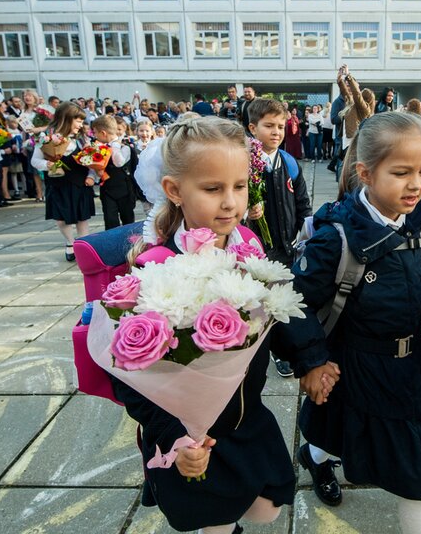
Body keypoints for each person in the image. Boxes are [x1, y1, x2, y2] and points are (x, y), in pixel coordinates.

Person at [116, 115, 338, 534]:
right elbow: (129, 372)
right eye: (213, 189)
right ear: (174, 191)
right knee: (213, 517)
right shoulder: (156, 270)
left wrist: (311, 359)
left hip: (243, 416)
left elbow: (279, 309)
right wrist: (174, 437)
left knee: (267, 505)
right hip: (192, 434)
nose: (231, 202)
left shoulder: (249, 244)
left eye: (239, 186)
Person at [278, 112, 421, 533]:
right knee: (333, 428)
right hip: (352, 365)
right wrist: (312, 360)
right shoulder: (335, 238)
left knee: (418, 471)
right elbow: (292, 303)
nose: (415, 184)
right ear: (366, 173)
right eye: (401, 172)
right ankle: (315, 458)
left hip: (410, 367)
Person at [245, 99, 313, 379]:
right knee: (258, 303)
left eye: (281, 126)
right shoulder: (245, 163)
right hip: (256, 249)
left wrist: (303, 232)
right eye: (268, 126)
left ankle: (283, 349)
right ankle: (262, 348)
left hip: (286, 246)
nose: (276, 132)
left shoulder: (289, 163)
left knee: (283, 299)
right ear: (252, 128)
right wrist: (247, 212)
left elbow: (302, 203)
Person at [30, 102, 95, 261]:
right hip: (57, 183)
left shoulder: (81, 138)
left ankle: (83, 245)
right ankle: (70, 242)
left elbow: (91, 161)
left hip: (79, 182)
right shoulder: (45, 137)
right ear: (67, 119)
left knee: (82, 217)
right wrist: (47, 164)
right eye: (78, 121)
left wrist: (91, 174)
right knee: (60, 217)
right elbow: (34, 160)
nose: (81, 125)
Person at [91, 115, 136, 230]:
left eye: (95, 132)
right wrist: (97, 172)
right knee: (110, 220)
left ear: (103, 133)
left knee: (128, 220)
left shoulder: (124, 146)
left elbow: (119, 163)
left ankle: (130, 244)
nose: (94, 136)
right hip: (107, 189)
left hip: (124, 188)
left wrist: (114, 146)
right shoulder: (98, 147)